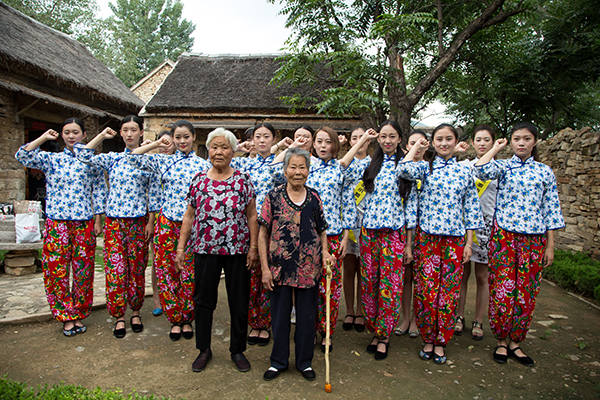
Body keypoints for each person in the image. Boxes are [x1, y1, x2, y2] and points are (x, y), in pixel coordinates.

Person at [474, 122, 564, 366]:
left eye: (526, 138)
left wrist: (550, 245)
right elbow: (479, 169)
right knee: (502, 289)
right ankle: (501, 341)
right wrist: (497, 148)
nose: (521, 143)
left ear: (535, 142)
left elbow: (551, 210)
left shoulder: (544, 172)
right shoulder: (502, 167)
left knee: (526, 292)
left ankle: (516, 341)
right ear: (510, 142)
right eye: (516, 138)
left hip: (534, 240)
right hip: (503, 238)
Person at [272, 126, 364, 353]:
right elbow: (274, 173)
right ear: (313, 144)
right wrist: (291, 147)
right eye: (319, 142)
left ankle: (327, 331)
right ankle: (309, 329)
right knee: (306, 288)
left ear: (335, 145)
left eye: (328, 142)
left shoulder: (341, 170)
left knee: (330, 288)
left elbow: (347, 203)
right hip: (303, 237)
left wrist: (345, 237)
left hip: (331, 238)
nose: (323, 146)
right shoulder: (304, 166)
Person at [398, 123, 483, 364]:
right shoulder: (424, 168)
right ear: (432, 143)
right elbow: (403, 169)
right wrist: (416, 146)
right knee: (426, 291)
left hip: (455, 241)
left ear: (456, 143)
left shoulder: (465, 171)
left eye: (449, 139)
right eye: (439, 139)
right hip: (427, 239)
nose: (444, 143)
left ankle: (442, 341)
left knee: (448, 292)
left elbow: (471, 209)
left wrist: (469, 243)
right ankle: (427, 338)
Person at [176, 127, 259, 373]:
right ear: (208, 150)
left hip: (237, 250)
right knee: (203, 301)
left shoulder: (243, 180)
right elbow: (189, 216)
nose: (218, 152)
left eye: (224, 147)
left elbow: (252, 215)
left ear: (233, 151)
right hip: (204, 250)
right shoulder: (199, 180)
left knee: (239, 301)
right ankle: (204, 349)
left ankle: (237, 350)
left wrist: (253, 247)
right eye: (214, 147)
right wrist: (181, 247)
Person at [15, 118, 106, 336]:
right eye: (67, 132)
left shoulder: (91, 161)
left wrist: (98, 219)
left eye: (75, 132)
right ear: (62, 135)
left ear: (84, 135)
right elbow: (23, 156)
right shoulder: (52, 159)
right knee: (57, 271)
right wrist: (44, 138)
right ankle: (66, 315)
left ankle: (80, 311)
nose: (71, 136)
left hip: (83, 222)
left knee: (84, 271)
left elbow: (99, 191)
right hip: (57, 223)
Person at [76, 115, 161, 338]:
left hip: (139, 222)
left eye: (134, 130)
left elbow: (153, 194)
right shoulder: (112, 158)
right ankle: (118, 316)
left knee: (137, 270)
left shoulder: (147, 161)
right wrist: (101, 136)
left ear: (141, 133)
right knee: (115, 270)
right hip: (114, 223)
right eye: (126, 130)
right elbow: (83, 154)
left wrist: (151, 222)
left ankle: (135, 312)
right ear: (121, 133)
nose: (130, 134)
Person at [258, 147, 335, 382]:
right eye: (293, 167)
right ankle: (278, 362)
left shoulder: (314, 197)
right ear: (285, 170)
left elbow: (321, 230)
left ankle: (304, 362)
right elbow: (263, 234)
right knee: (280, 316)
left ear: (309, 171)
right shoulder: (273, 197)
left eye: (303, 167)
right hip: (280, 267)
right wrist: (264, 268)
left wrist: (324, 252)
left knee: (306, 317)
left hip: (309, 268)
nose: (298, 172)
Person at [129, 121, 211, 341]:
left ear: (194, 137)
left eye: (186, 137)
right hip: (166, 224)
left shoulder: (204, 165)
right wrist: (156, 143)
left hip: (194, 225)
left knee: (190, 273)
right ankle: (175, 318)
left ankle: (187, 318)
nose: (182, 141)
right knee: (167, 271)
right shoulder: (164, 161)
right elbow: (134, 157)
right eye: (178, 137)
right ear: (172, 139)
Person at [349, 121, 414, 360]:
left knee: (390, 286)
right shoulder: (369, 165)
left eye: (392, 136)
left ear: (399, 139)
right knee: (370, 284)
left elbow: (411, 206)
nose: (387, 140)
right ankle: (374, 331)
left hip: (394, 234)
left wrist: (408, 243)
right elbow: (345, 168)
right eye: (383, 136)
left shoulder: (406, 167)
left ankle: (385, 336)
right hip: (369, 233)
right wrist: (364, 140)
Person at [231, 122, 283, 346]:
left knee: (270, 273)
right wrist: (238, 149)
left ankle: (267, 322)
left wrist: (278, 154)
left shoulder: (281, 164)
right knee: (249, 275)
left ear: (274, 140)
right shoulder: (242, 164)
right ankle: (254, 322)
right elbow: (214, 162)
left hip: (273, 226)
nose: (261, 140)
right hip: (246, 226)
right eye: (257, 137)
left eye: (266, 136)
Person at [454, 125, 497, 340]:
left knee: (482, 276)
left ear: (493, 143)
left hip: (487, 227)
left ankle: (478, 319)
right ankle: (458, 316)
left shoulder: (499, 169)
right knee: (462, 274)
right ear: (472, 143)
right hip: (463, 227)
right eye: (478, 140)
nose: (482, 144)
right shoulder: (464, 166)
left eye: (486, 140)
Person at [395, 130, 431, 339]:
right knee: (406, 276)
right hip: (404, 230)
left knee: (423, 277)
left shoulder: (430, 169)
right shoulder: (402, 170)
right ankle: (405, 317)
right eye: (413, 143)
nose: (418, 146)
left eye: (422, 142)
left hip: (426, 231)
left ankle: (419, 319)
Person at [342, 127, 370, 333]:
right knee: (348, 268)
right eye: (355, 138)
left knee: (363, 270)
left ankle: (361, 311)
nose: (359, 141)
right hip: (348, 220)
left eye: (363, 138)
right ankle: (349, 310)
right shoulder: (343, 162)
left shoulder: (374, 163)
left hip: (368, 221)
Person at [151, 130, 175, 317]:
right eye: (163, 142)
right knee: (157, 261)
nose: (166, 146)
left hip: (174, 217)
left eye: (169, 142)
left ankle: (177, 300)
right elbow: (151, 196)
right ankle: (158, 299)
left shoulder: (178, 165)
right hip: (155, 216)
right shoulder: (155, 163)